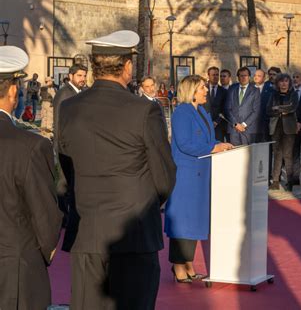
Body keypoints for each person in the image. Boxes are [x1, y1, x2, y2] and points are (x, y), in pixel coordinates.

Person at [58, 30, 176, 309]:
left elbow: (65, 169)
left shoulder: (70, 108)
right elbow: (164, 177)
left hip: (87, 231)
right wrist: (144, 205)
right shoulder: (144, 110)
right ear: (127, 66)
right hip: (134, 234)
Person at [0, 45, 62, 310]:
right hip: (14, 266)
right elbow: (44, 210)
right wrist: (46, 248)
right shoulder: (29, 145)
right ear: (13, 90)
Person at [165, 75, 233, 283]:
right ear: (192, 91)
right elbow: (185, 144)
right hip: (185, 174)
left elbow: (207, 139)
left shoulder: (202, 111)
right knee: (181, 221)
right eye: (203, 87)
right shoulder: (181, 113)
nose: (206, 90)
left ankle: (189, 263)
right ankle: (178, 265)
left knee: (193, 221)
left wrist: (222, 144)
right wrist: (213, 148)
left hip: (201, 174)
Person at [53, 63, 88, 228]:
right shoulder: (64, 93)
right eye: (80, 75)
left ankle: (71, 215)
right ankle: (62, 217)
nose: (83, 79)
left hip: (79, 146)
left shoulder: (82, 92)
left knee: (73, 184)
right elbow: (59, 123)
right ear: (71, 76)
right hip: (65, 148)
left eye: (84, 75)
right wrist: (62, 147)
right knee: (63, 184)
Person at [267, 73, 299, 191]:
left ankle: (290, 181)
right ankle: (275, 181)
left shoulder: (293, 94)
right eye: (281, 81)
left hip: (289, 128)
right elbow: (268, 110)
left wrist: (278, 108)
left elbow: (293, 108)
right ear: (278, 83)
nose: (284, 84)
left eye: (286, 81)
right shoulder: (273, 94)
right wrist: (283, 110)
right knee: (277, 154)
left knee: (288, 155)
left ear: (289, 83)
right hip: (276, 128)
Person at [225, 67, 261, 145]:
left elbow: (256, 111)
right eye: (241, 76)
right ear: (238, 77)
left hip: (248, 129)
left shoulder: (255, 91)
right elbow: (227, 108)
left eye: (246, 75)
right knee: (235, 153)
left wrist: (244, 125)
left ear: (249, 77)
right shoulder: (232, 89)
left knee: (248, 155)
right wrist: (235, 124)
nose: (244, 77)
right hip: (233, 129)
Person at [204, 66, 228, 142]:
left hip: (218, 126)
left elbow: (225, 109)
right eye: (213, 75)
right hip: (205, 124)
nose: (215, 77)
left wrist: (216, 122)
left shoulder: (224, 91)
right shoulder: (203, 89)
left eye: (217, 75)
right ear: (208, 75)